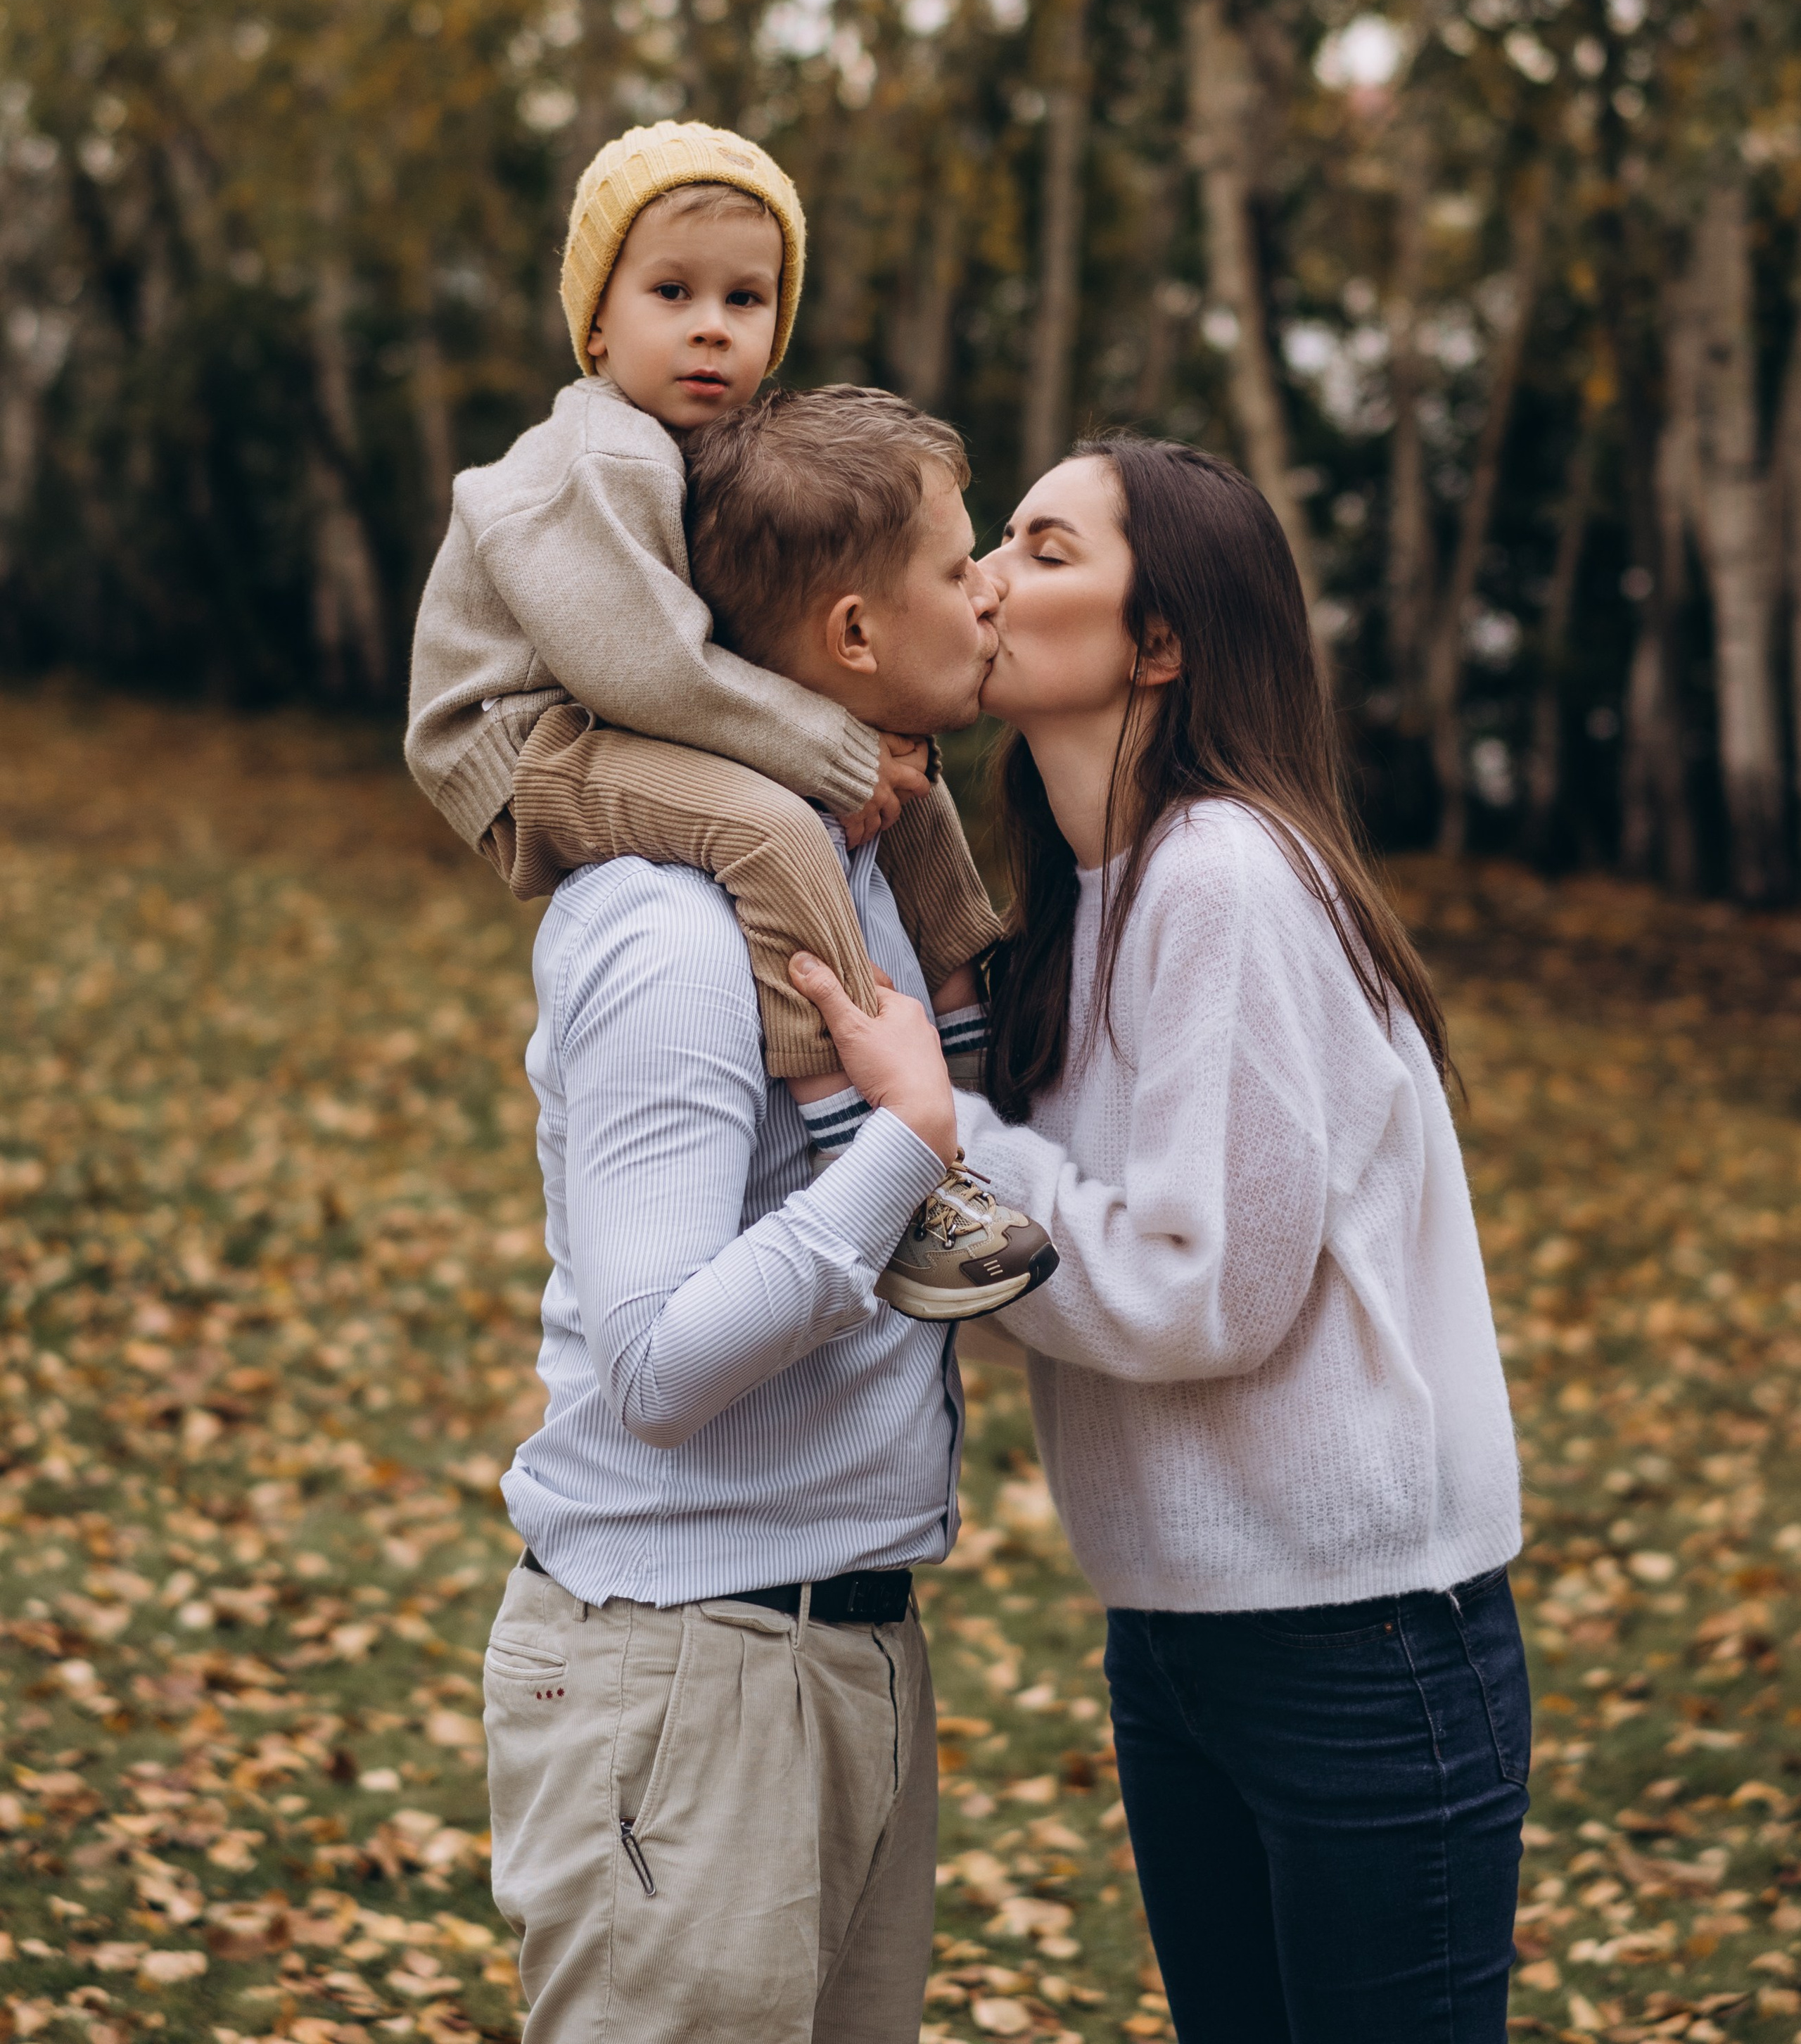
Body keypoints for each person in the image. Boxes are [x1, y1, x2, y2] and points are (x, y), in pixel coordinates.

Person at [791, 435, 1529, 2044]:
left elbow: (1199, 1293)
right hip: (1179, 1632)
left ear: (1161, 643)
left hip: (1360, 1646)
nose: (983, 577)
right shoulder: (1084, 899)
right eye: (993, 541)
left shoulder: (1224, 881)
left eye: (1043, 550)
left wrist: (941, 1135)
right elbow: (1043, 1266)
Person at [484, 386, 1041, 2044]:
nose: (990, 590)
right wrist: (904, 1145)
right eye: (958, 565)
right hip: (687, 1671)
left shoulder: (857, 867)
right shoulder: (670, 927)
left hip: (846, 1645)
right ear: (855, 632)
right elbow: (655, 1367)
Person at [405, 116, 1048, 1316]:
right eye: (672, 292)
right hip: (525, 743)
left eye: (745, 300)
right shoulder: (598, 456)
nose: (712, 326)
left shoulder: (705, 449)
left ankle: (972, 1027)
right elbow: (645, 668)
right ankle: (855, 1136)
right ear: (598, 326)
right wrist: (832, 752)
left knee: (905, 765)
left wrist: (870, 749)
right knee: (774, 824)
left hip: (617, 720)